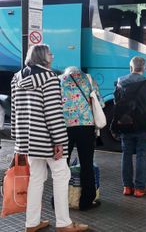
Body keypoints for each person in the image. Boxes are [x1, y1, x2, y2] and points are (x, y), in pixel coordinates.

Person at [11, 44, 88, 232]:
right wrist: (59, 141)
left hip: (27, 139)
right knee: (62, 175)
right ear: (44, 58)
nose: (52, 57)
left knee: (36, 178)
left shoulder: (17, 78)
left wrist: (17, 139)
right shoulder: (49, 78)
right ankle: (64, 223)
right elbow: (53, 112)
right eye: (50, 54)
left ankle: (32, 222)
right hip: (46, 139)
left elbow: (15, 111)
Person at [114, 56, 146, 197]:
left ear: (131, 68)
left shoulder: (120, 83)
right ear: (144, 68)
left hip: (126, 125)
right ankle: (140, 188)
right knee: (141, 155)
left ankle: (127, 187)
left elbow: (117, 103)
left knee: (126, 154)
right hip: (144, 126)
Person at [60, 66, 104, 210]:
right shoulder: (89, 79)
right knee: (86, 164)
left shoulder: (59, 81)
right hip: (86, 126)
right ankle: (86, 201)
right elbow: (100, 102)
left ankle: (59, 201)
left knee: (61, 165)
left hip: (64, 126)